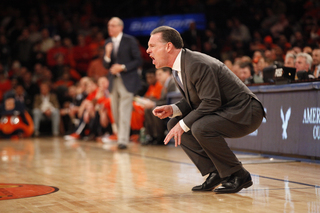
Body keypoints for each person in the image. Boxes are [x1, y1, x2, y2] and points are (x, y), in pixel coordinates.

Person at [146, 26, 265, 194]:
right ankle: (216, 172)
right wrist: (173, 109)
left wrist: (184, 124)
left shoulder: (196, 63)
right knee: (174, 122)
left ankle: (239, 175)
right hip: (227, 109)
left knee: (199, 127)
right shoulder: (179, 67)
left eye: (152, 45)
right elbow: (195, 100)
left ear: (168, 46)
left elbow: (211, 102)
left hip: (246, 111)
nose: (148, 50)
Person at [103, 17, 142, 149]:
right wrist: (107, 54)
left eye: (113, 25)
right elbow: (105, 64)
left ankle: (123, 140)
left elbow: (138, 60)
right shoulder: (108, 42)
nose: (110, 28)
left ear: (120, 27)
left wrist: (123, 67)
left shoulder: (129, 40)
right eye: (109, 26)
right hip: (113, 81)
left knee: (124, 110)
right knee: (115, 111)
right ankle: (121, 136)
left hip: (128, 80)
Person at [142, 67, 177, 145]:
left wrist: (154, 104)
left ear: (167, 73)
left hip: (173, 108)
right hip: (167, 106)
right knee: (148, 109)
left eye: (160, 74)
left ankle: (159, 136)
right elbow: (162, 100)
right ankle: (151, 136)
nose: (157, 77)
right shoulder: (164, 86)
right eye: (157, 75)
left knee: (155, 109)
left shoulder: (173, 83)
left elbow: (171, 100)